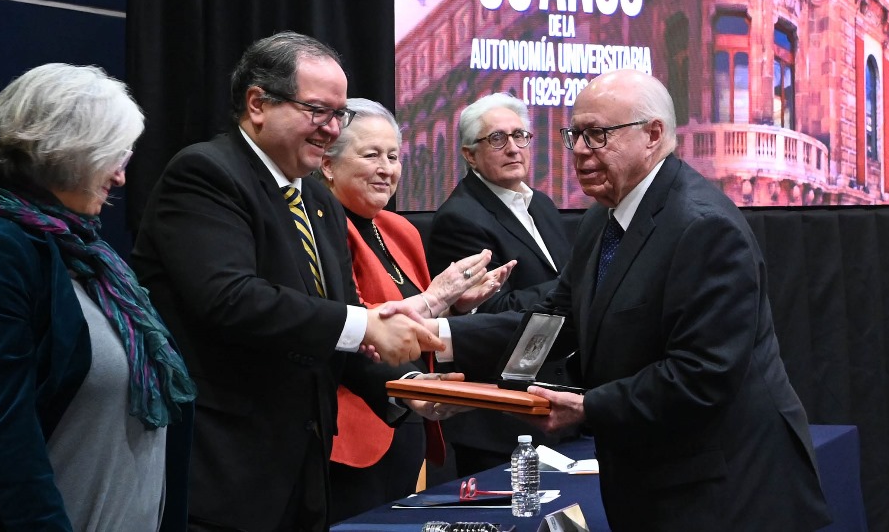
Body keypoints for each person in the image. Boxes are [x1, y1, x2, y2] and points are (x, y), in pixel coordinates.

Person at [449, 69, 831, 531]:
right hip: (656, 482)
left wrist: (589, 407)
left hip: (724, 493)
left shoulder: (703, 227)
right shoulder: (601, 220)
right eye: (575, 135)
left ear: (653, 135)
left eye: (597, 135)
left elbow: (701, 376)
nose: (580, 151)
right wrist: (443, 341)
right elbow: (553, 319)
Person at [133, 32, 445, 532]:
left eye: (339, 114)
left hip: (306, 474)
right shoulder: (205, 174)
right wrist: (365, 324)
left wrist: (406, 385)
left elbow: (333, 328)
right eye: (318, 111)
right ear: (258, 103)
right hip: (223, 474)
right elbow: (230, 300)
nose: (332, 129)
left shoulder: (318, 201)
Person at [0, 64, 195, 531]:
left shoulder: (89, 253)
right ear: (68, 152)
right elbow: (0, 436)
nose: (120, 178)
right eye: (112, 157)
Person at [319, 97, 509, 522]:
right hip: (349, 430)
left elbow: (420, 325)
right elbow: (354, 320)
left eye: (393, 156)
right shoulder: (322, 226)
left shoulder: (400, 228)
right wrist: (437, 296)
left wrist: (461, 307)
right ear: (328, 166)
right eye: (371, 155)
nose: (387, 168)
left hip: (408, 419)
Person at [425, 92, 573, 475]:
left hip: (557, 401)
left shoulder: (539, 203)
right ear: (470, 155)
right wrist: (574, 290)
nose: (513, 148)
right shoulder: (460, 218)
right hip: (503, 419)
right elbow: (488, 313)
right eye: (497, 139)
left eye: (520, 135)